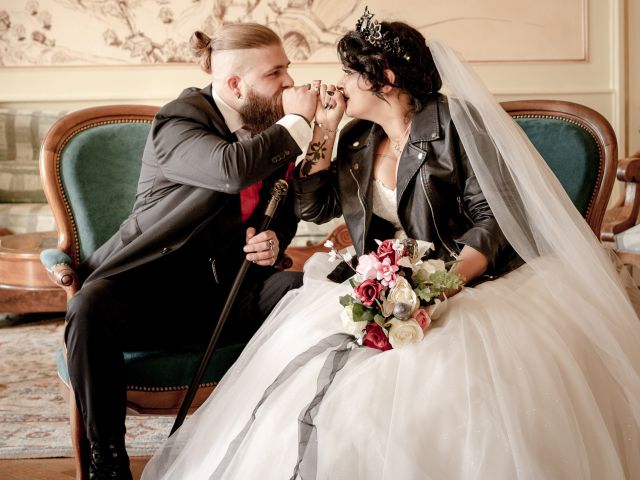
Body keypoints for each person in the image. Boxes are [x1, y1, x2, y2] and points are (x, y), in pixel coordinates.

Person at [142, 11, 640, 480]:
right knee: (315, 378)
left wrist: (434, 290)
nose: (335, 80)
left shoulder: (458, 126)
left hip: (469, 279)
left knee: (425, 383)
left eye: (347, 70)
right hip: (382, 280)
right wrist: (325, 130)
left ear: (383, 77)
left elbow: (493, 224)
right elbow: (313, 208)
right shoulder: (358, 135)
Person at [65, 23, 319, 480]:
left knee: (306, 295)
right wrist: (298, 123)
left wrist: (273, 239)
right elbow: (229, 170)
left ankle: (278, 446)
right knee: (88, 306)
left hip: (226, 290)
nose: (289, 82)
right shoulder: (179, 120)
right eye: (275, 72)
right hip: (151, 291)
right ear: (235, 84)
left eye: (288, 69)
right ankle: (108, 462)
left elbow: (280, 206)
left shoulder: (267, 127)